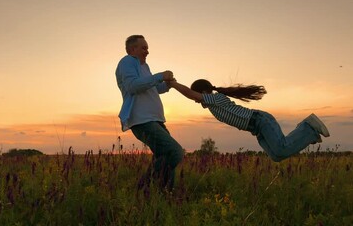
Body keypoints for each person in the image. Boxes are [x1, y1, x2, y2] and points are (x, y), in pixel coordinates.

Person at [169, 79, 330, 162]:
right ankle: (309, 134)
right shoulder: (212, 102)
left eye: (198, 96)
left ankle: (308, 127)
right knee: (277, 156)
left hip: (260, 121)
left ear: (204, 92)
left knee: (281, 149)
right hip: (257, 128)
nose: (196, 101)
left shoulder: (214, 98)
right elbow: (193, 95)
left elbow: (191, 95)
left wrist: (173, 84)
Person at [115, 35, 184, 190]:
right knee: (174, 152)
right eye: (144, 48)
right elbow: (132, 86)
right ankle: (143, 188)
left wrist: (167, 85)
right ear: (132, 49)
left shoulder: (144, 67)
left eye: (147, 48)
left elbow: (152, 88)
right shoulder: (127, 61)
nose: (147, 52)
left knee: (163, 156)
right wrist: (160, 76)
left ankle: (164, 195)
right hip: (142, 121)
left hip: (155, 120)